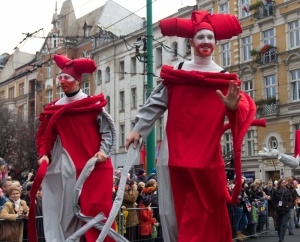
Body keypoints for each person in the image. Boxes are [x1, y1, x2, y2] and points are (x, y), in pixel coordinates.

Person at [126, 10, 259, 242]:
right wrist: (139, 128)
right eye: (200, 37)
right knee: (171, 215)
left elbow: (243, 112)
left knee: (207, 214)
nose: (205, 41)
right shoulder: (178, 72)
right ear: (191, 42)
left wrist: (233, 107)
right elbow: (156, 102)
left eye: (210, 37)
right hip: (173, 157)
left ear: (216, 42)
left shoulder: (224, 77)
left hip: (207, 161)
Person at [33, 54, 116, 242]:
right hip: (67, 168)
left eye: (67, 78)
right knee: (64, 212)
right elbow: (46, 136)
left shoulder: (92, 105)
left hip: (95, 167)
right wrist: (44, 154)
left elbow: (108, 131)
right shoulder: (55, 108)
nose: (62, 81)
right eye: (60, 77)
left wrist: (103, 151)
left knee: (96, 212)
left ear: (78, 80)